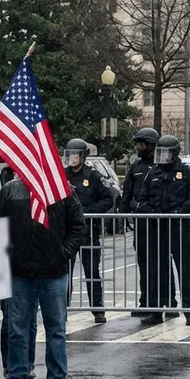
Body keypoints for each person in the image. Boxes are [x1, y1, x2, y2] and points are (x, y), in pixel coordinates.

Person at [0, 168, 86, 379]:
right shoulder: (10, 190)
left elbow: (77, 226)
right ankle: (16, 378)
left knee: (56, 329)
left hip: (53, 273)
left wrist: (62, 253)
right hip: (20, 272)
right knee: (18, 329)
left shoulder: (63, 189)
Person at [132, 135, 190, 326]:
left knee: (184, 272)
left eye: (166, 153)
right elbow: (141, 198)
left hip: (179, 230)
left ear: (175, 153)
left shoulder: (186, 173)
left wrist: (179, 211)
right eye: (159, 152)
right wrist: (150, 211)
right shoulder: (153, 173)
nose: (162, 156)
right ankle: (156, 310)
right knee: (158, 272)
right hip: (158, 229)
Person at [0, 167, 40, 379]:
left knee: (30, 321)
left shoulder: (45, 189)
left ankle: (27, 366)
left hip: (36, 265)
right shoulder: (9, 191)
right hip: (11, 265)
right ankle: (11, 367)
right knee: (12, 321)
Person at [120, 128, 172, 314]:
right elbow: (127, 191)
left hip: (159, 223)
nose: (139, 147)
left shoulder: (161, 166)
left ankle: (168, 301)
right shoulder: (135, 167)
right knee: (144, 262)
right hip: (142, 222)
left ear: (151, 145)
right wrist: (123, 212)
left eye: (142, 144)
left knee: (161, 264)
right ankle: (146, 302)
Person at [64, 138, 113, 323]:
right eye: (69, 154)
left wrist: (88, 213)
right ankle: (63, 308)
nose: (72, 158)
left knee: (91, 271)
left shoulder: (93, 176)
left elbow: (108, 199)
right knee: (64, 272)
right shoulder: (63, 175)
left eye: (75, 155)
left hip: (88, 232)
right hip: (67, 234)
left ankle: (98, 309)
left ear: (83, 156)